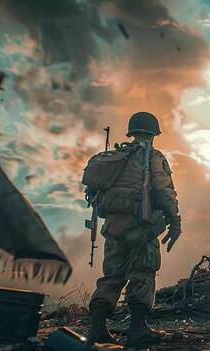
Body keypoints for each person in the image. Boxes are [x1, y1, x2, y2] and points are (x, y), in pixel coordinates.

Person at [86, 112, 182, 345]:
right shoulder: (153, 157)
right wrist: (175, 220)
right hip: (140, 224)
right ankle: (138, 328)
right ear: (153, 134)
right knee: (143, 272)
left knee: (112, 275)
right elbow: (163, 191)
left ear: (132, 132)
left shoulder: (115, 157)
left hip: (112, 226)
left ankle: (97, 329)